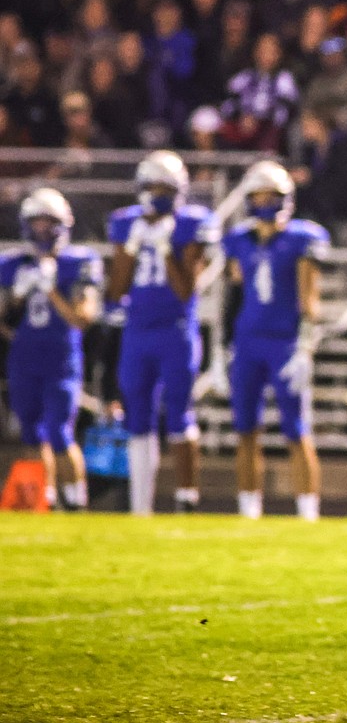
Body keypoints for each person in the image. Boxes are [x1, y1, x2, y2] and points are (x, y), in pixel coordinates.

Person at [107, 151, 218, 515]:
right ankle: (141, 506)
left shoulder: (190, 224)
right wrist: (133, 246)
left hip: (176, 330)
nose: (156, 194)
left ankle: (187, 498)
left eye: (164, 187)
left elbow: (187, 290)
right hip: (138, 330)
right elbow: (117, 289)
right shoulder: (127, 224)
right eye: (151, 187)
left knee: (179, 414)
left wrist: (166, 248)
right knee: (137, 417)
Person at [221, 161, 329, 521]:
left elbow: (309, 300)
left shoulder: (300, 239)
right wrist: (223, 348)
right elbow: (234, 294)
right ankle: (249, 507)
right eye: (261, 196)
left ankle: (307, 509)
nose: (266, 203)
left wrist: (305, 347)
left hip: (284, 343)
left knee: (297, 430)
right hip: (248, 341)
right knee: (245, 428)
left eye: (273, 196)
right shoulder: (239, 241)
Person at [0, 189, 102, 510]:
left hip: (62, 359)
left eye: (49, 223)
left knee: (60, 432)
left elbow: (82, 318)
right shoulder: (13, 264)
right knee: (32, 432)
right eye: (37, 223)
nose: (43, 230)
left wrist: (52, 290)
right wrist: (16, 297)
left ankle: (77, 499)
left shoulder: (79, 261)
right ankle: (48, 496)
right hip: (25, 358)